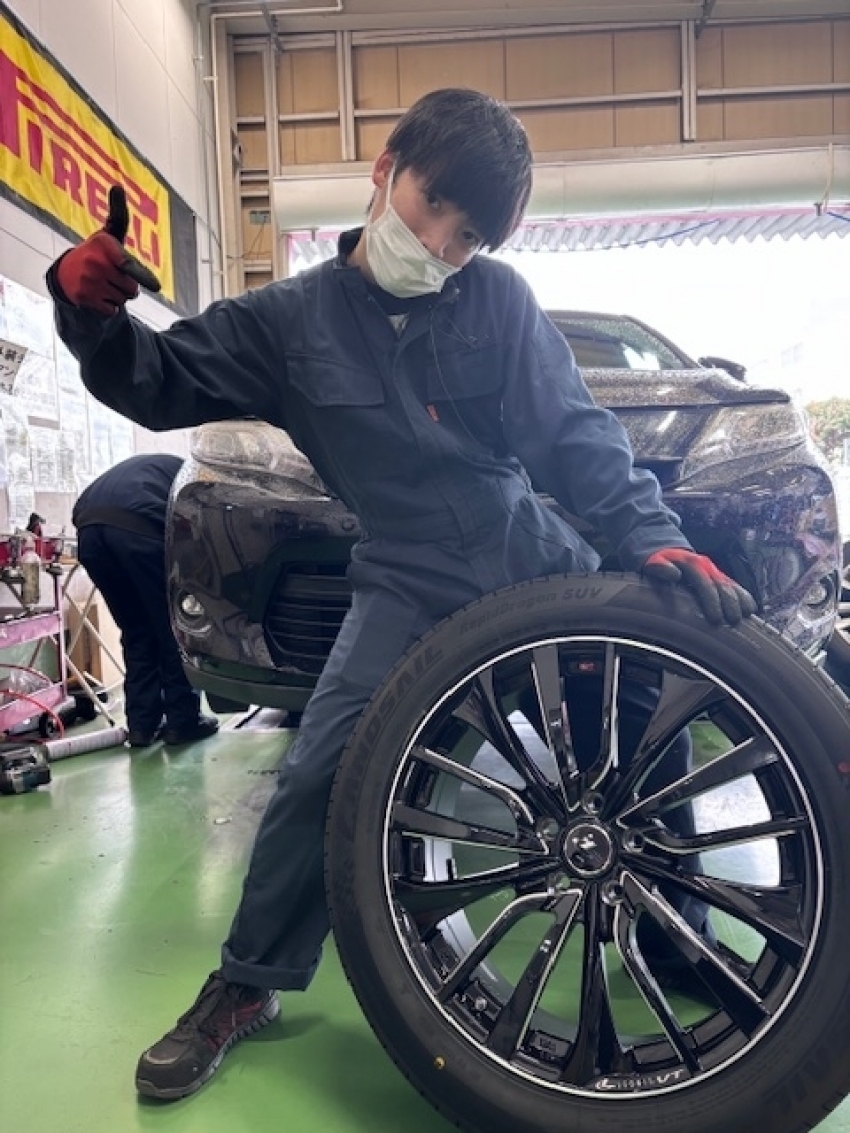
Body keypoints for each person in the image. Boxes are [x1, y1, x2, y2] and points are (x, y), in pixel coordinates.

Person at [47, 87, 756, 1100]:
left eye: (466, 237)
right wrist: (88, 310)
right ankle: (248, 981)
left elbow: (574, 433)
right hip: (405, 577)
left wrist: (652, 539)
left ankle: (672, 921)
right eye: (431, 208)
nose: (438, 245)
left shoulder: (496, 302)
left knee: (647, 700)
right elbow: (156, 379)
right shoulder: (287, 322)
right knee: (320, 773)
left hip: (528, 553)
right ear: (385, 172)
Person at [72, 454, 219, 748]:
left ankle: (142, 725)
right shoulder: (199, 481)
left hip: (89, 532)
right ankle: (183, 722)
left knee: (137, 630)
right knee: (174, 629)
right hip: (137, 528)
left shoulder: (165, 469)